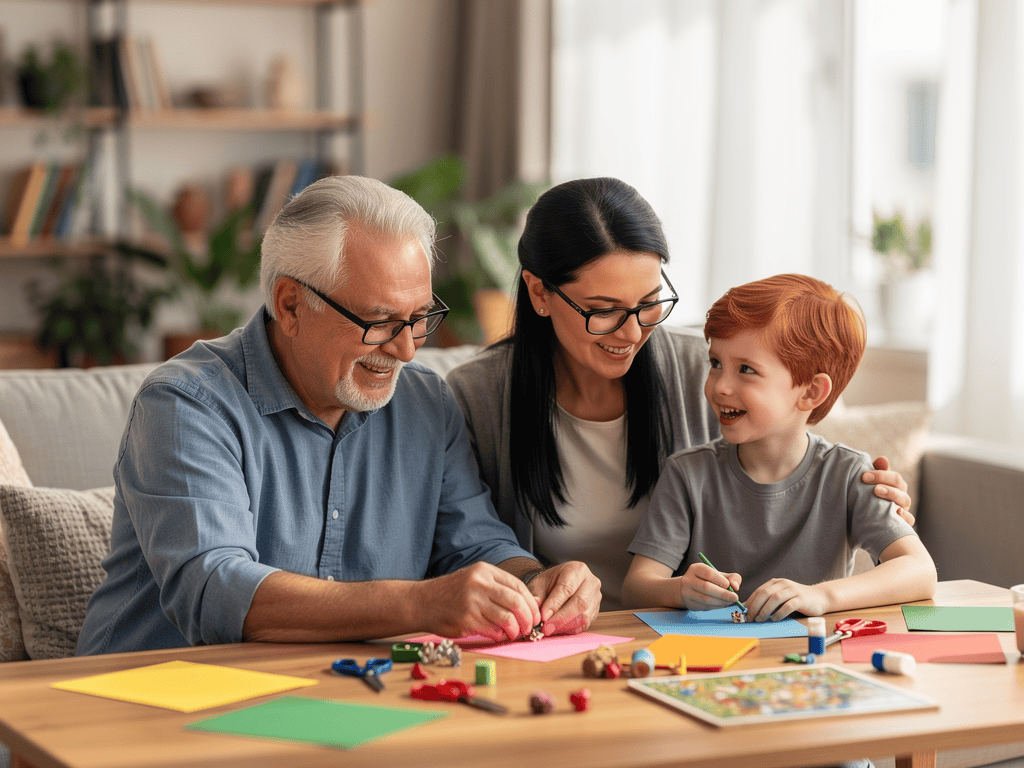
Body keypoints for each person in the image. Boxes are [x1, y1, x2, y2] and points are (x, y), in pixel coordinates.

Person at [77, 175, 600, 656]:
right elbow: (214, 590)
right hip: (147, 698)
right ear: (290, 305)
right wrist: (419, 604)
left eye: (418, 320)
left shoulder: (425, 403)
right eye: (378, 322)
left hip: (330, 696)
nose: (406, 351)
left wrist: (536, 584)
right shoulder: (187, 403)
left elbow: (477, 544)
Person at [447, 177, 916, 612]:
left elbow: (790, 435)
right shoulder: (478, 396)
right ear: (539, 293)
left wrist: (862, 487)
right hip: (559, 636)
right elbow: (468, 534)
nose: (632, 332)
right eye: (604, 311)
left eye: (650, 303)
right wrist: (532, 579)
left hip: (682, 639)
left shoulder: (706, 368)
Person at [622, 274, 937, 619]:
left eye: (746, 369)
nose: (719, 386)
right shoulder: (687, 473)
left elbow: (919, 571)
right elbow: (637, 588)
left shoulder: (849, 475)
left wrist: (821, 597)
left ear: (811, 392)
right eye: (715, 363)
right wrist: (680, 589)